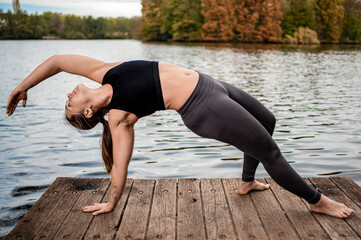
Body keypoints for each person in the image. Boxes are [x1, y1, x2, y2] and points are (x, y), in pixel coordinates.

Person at [6, 54, 354, 218]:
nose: (68, 98)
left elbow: (57, 61)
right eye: (69, 107)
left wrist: (23, 87)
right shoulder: (118, 119)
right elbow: (120, 167)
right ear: (87, 113)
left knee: (268, 120)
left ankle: (247, 182)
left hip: (210, 83)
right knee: (269, 150)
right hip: (202, 107)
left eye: (66, 101)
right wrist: (112, 202)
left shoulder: (104, 73)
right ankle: (317, 202)